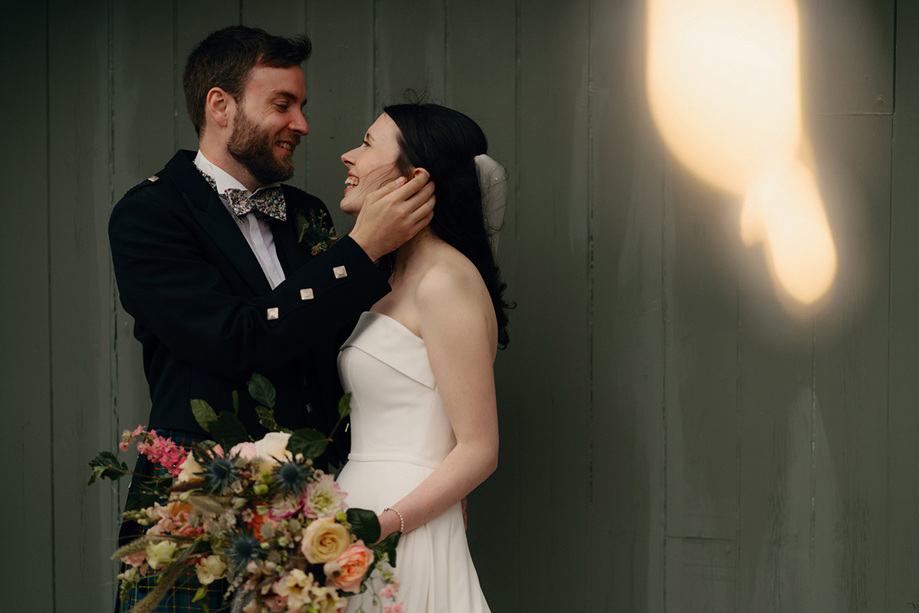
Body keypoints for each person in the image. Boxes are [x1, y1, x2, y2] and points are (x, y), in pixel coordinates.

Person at [108, 26, 434, 612]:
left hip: (314, 506)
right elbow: (235, 341)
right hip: (199, 503)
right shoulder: (149, 215)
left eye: (301, 105)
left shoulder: (307, 213)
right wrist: (358, 253)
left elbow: (357, 354)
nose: (302, 123)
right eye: (282, 104)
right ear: (219, 106)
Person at [335, 102, 510, 612]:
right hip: (355, 508)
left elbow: (479, 449)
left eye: (367, 144)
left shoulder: (445, 281)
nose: (348, 156)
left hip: (401, 523)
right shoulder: (387, 277)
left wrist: (382, 526)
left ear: (415, 177)